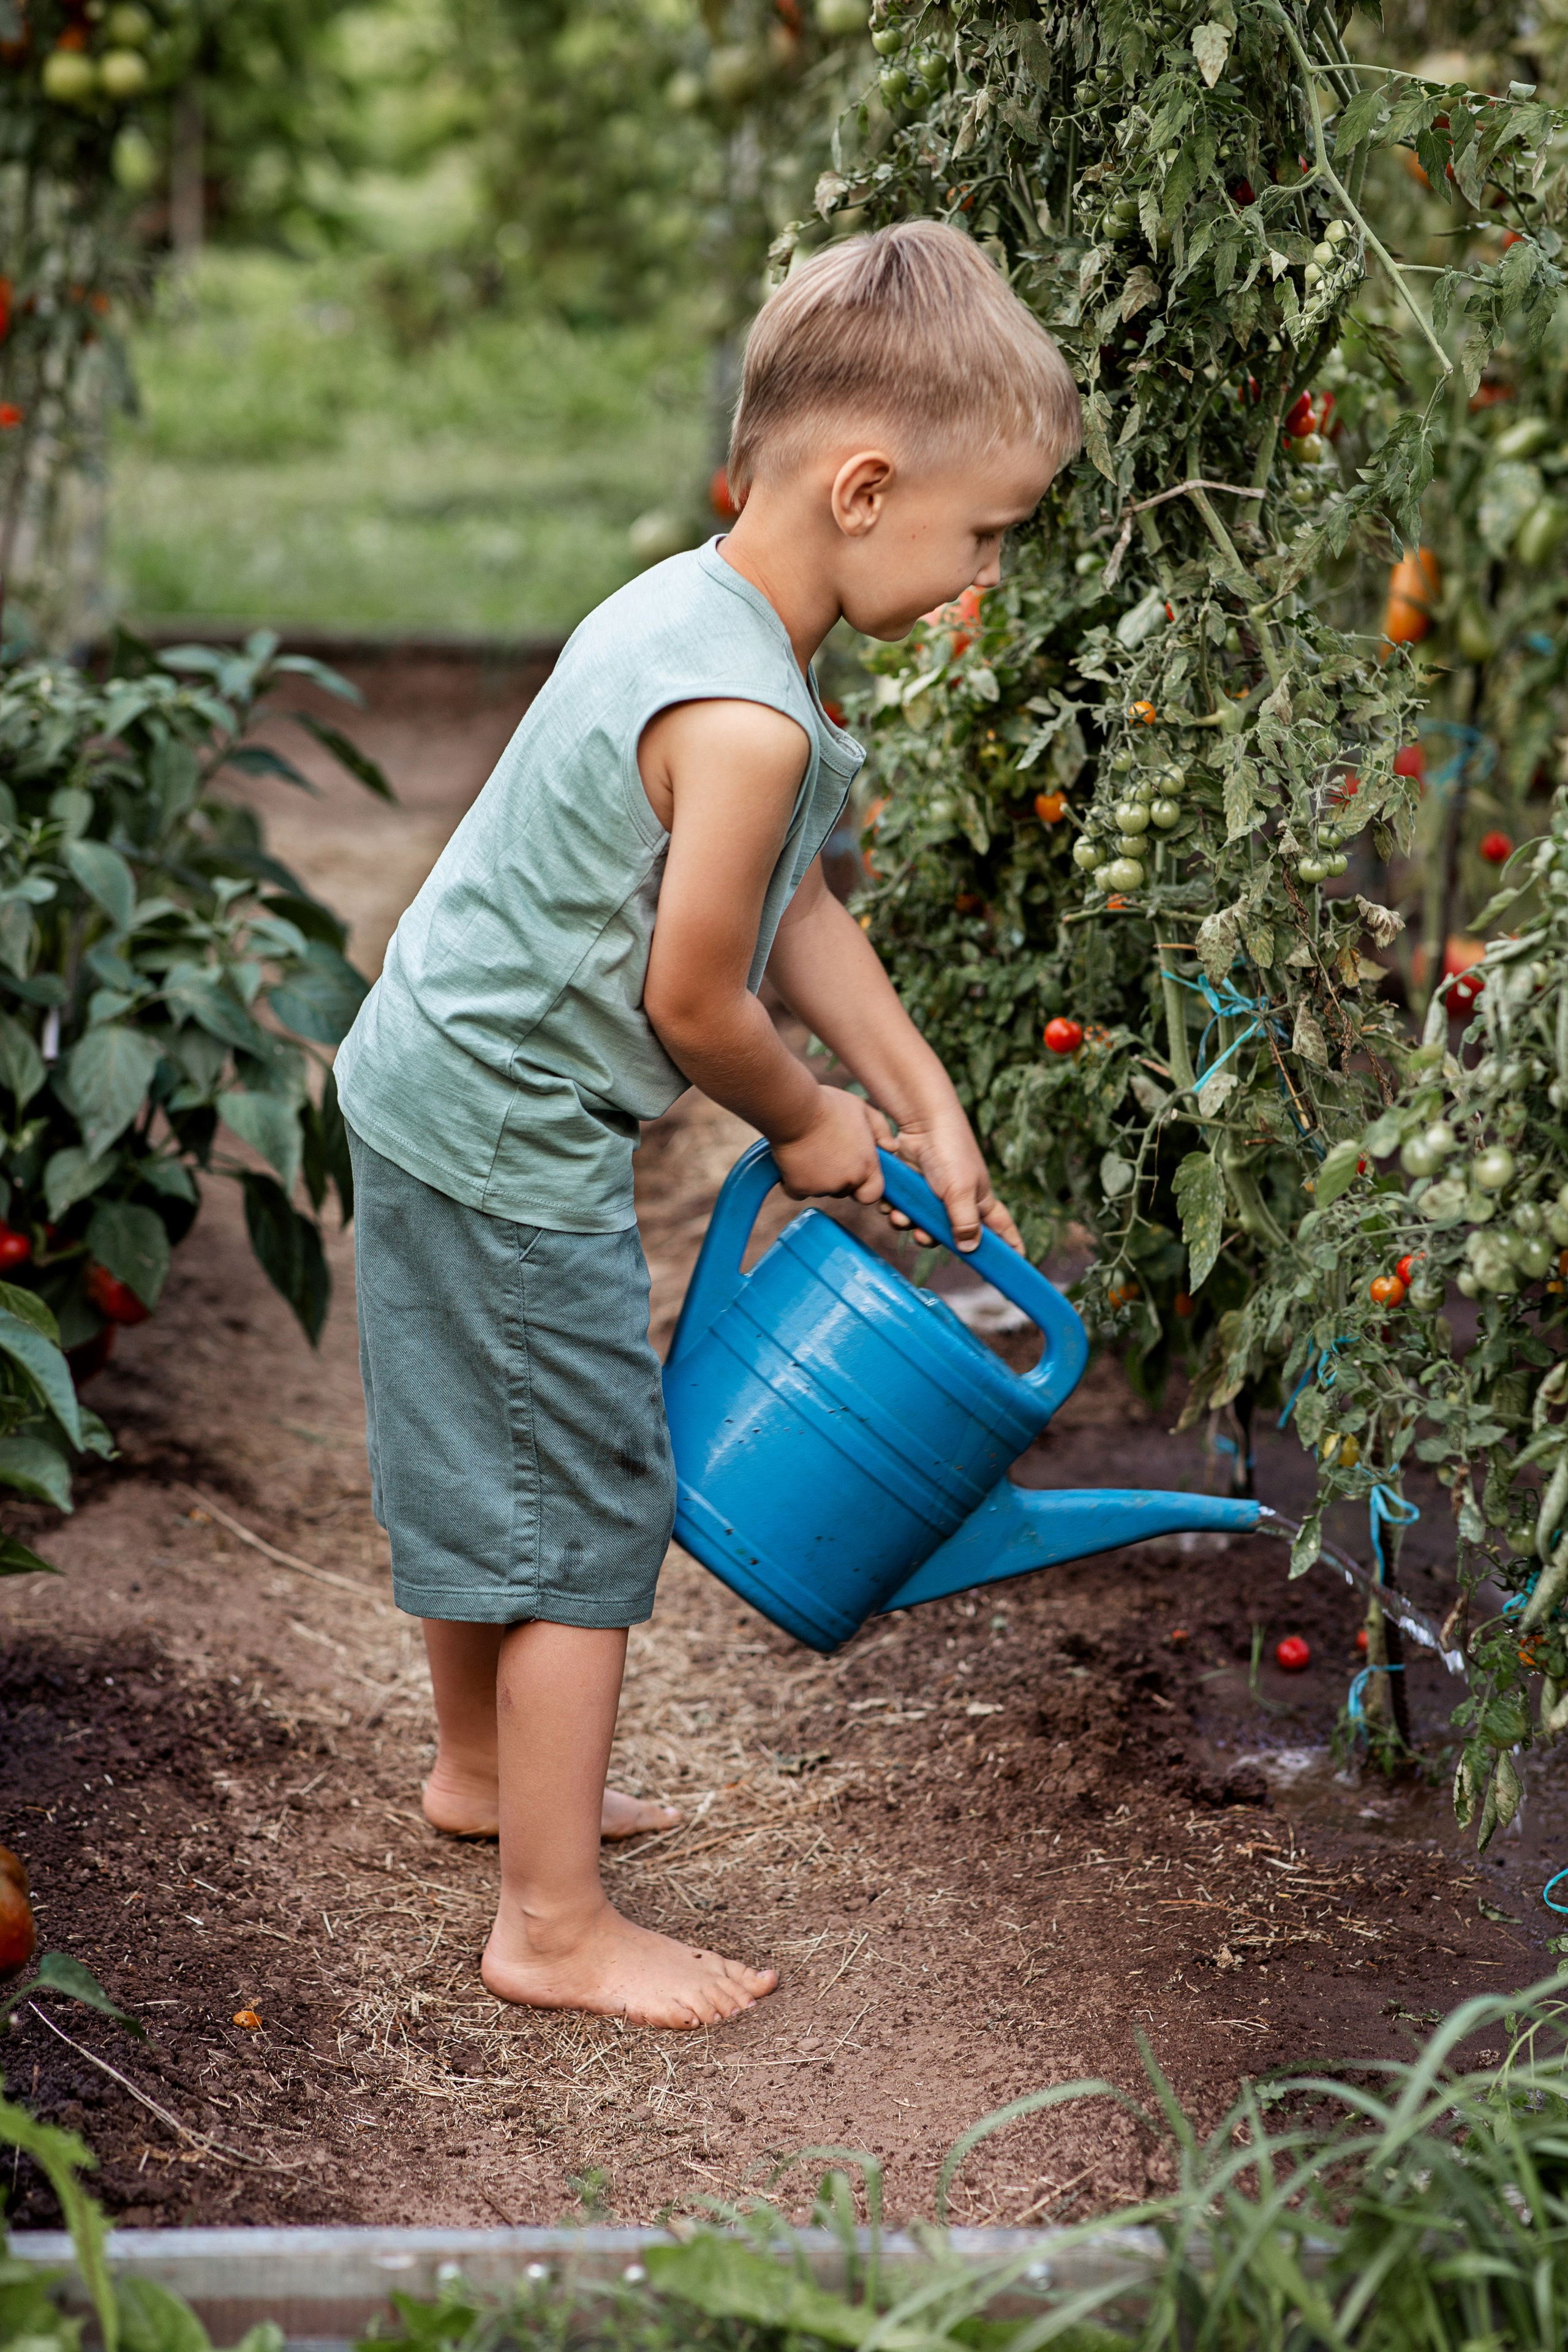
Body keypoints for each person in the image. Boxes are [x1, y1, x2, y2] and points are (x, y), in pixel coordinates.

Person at [334, 220, 1082, 2029]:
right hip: (509, 1135)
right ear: (866, 487)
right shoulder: (749, 719)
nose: (986, 575)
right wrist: (815, 1123)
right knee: (584, 1492)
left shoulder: (698, 612)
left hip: (429, 1079)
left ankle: (482, 1771)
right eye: (985, 534)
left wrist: (923, 1097)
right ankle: (552, 1921)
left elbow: (794, 909)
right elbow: (698, 999)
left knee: (486, 1452)